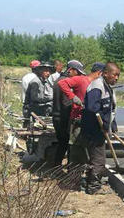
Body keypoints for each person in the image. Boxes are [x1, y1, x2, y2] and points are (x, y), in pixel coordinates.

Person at [70, 62, 120, 194]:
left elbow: (109, 108)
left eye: (118, 75)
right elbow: (92, 108)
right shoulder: (97, 86)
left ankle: (89, 182)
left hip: (98, 128)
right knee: (99, 160)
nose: (116, 78)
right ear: (105, 73)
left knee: (93, 158)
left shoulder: (107, 86)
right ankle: (94, 187)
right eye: (114, 75)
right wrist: (104, 124)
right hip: (93, 129)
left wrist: (112, 124)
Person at [51, 60, 85, 168]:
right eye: (77, 73)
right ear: (71, 70)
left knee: (63, 143)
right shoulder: (65, 82)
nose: (78, 76)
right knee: (67, 143)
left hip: (58, 115)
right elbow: (67, 104)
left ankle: (57, 166)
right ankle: (59, 167)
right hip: (62, 117)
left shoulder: (59, 79)